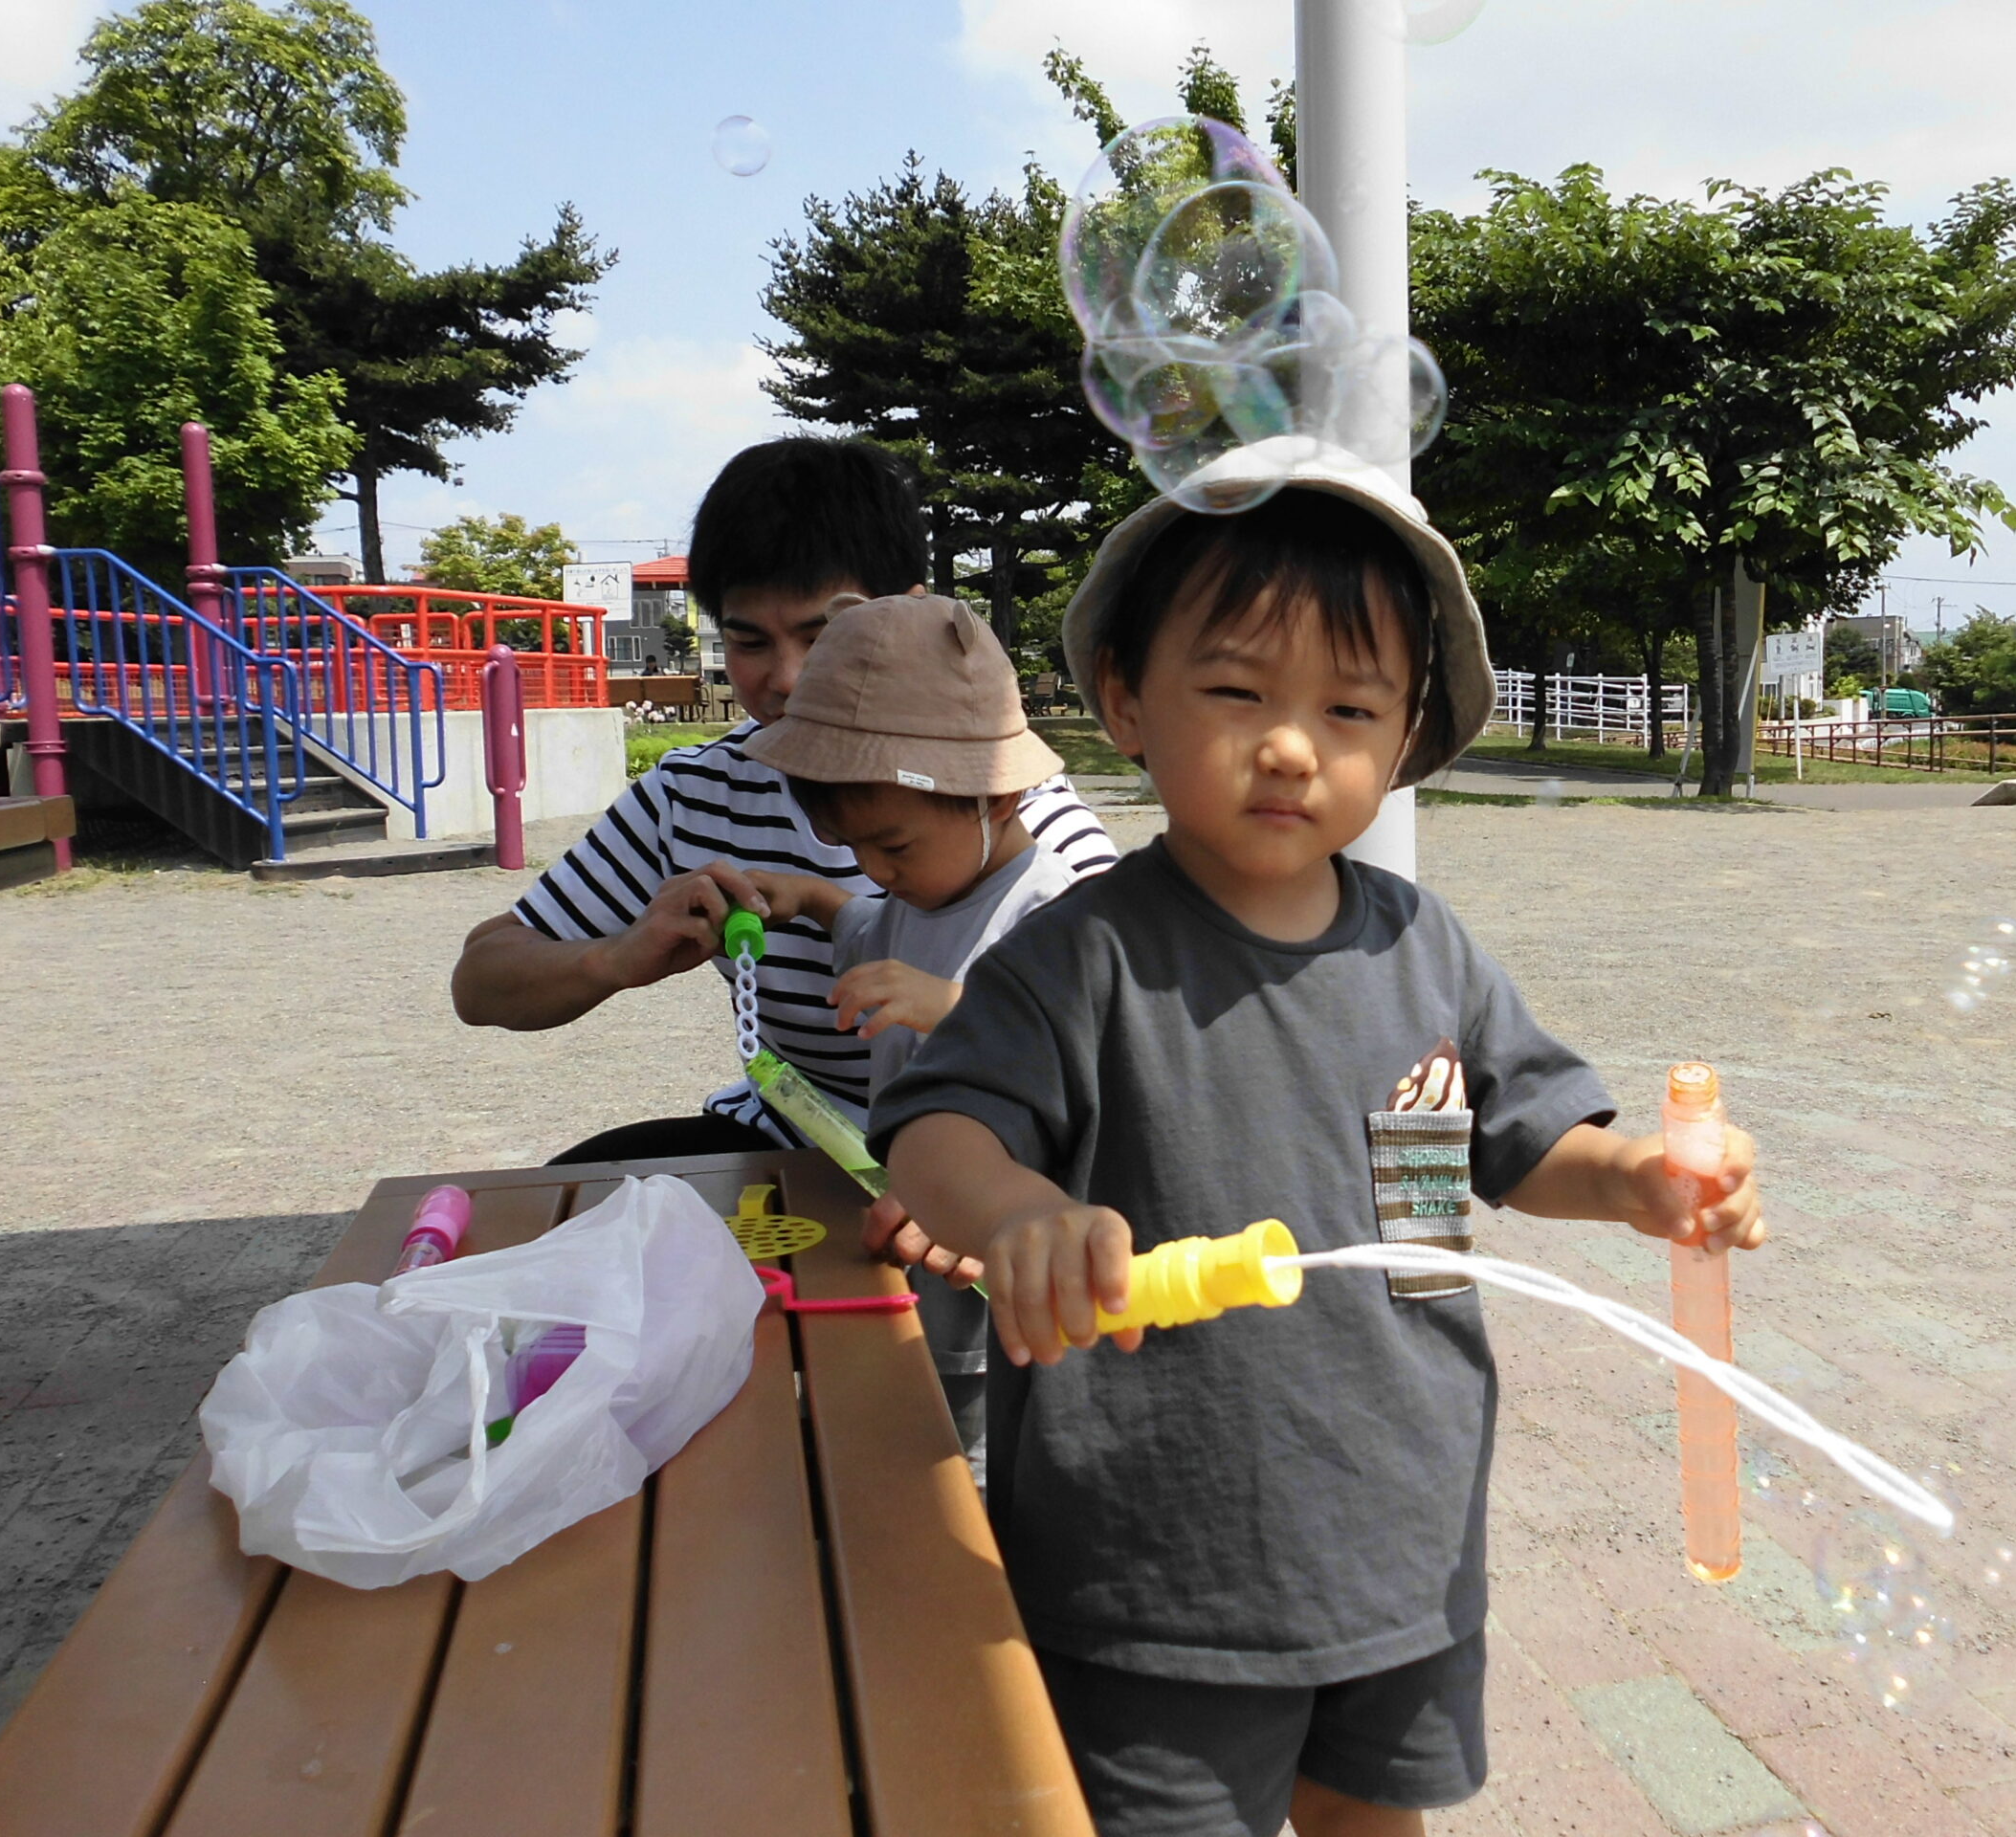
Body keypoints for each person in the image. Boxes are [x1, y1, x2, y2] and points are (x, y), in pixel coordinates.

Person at [868, 442, 1765, 1837]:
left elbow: (1530, 1144)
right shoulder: (1081, 959)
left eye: (1351, 710)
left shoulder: (1428, 951)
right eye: (1235, 692)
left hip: (1400, 1534)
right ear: (1128, 701)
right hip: (1151, 1568)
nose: (1293, 745)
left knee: (1372, 1818)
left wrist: (1642, 1181)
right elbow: (936, 1129)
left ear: (1403, 738)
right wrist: (1016, 1212)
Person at [448, 436, 1116, 1161]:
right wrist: (616, 958)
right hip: (794, 1136)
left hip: (991, 1163)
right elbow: (482, 982)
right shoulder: (697, 791)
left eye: (824, 635)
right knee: (578, 1191)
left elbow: (1131, 1030)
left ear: (909, 617)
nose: (789, 678)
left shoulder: (1003, 808)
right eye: (750, 642)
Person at [732, 590, 1084, 1473]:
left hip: (995, 1258)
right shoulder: (913, 897)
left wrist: (958, 1010)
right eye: (851, 847)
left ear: (997, 796)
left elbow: (1099, 1053)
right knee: (905, 1428)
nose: (873, 868)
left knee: (975, 1458)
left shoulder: (1055, 914)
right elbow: (864, 922)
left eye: (892, 844)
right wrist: (806, 897)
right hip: (910, 1236)